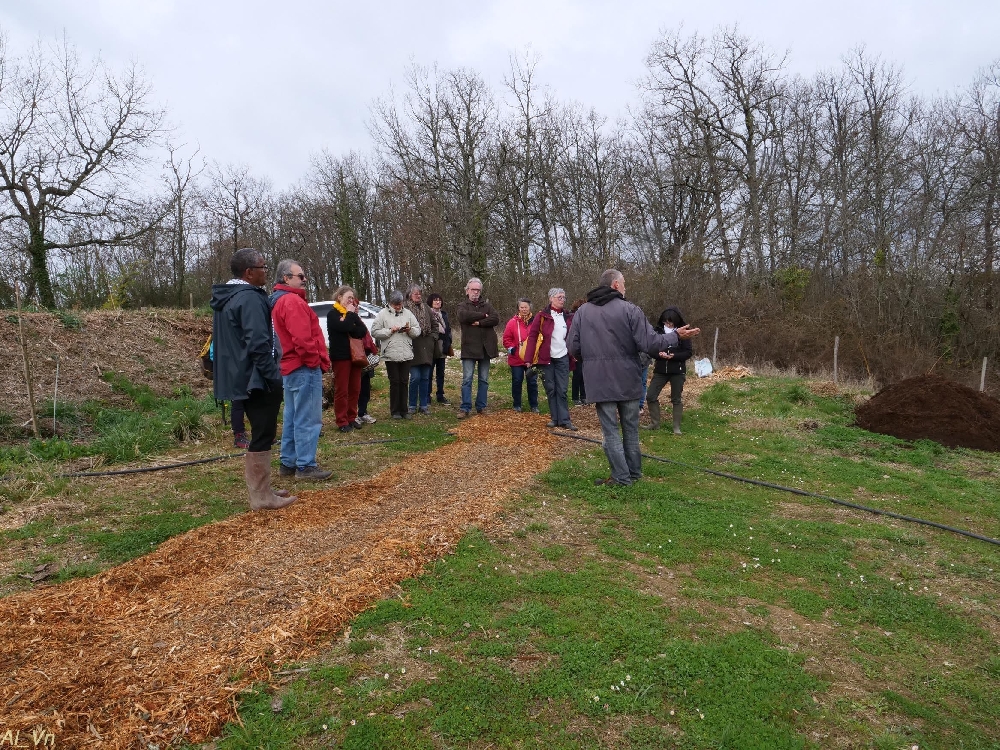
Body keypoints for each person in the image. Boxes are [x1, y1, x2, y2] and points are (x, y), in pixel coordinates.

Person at [568, 269, 700, 486]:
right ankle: (630, 475)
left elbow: (573, 347)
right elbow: (650, 344)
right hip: (628, 378)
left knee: (610, 431)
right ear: (616, 286)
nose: (626, 287)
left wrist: (592, 361)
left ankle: (623, 476)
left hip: (600, 381)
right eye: (624, 283)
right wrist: (675, 336)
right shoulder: (630, 310)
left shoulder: (582, 312)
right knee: (630, 429)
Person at [211, 248, 296, 510]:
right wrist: (274, 377)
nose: (266, 271)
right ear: (249, 273)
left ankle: (263, 488)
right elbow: (258, 343)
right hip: (256, 379)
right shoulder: (248, 298)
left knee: (261, 432)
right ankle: (261, 497)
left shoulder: (229, 296)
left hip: (242, 376)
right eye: (262, 267)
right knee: (263, 433)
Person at [270, 259, 333, 481]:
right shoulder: (292, 302)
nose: (305, 280)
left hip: (290, 367)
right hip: (303, 367)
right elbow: (303, 339)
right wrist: (314, 361)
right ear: (286, 278)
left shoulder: (279, 301)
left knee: (292, 416)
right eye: (301, 276)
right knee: (308, 417)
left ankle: (289, 462)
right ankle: (305, 465)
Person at [524, 288, 576, 430]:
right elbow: (533, 337)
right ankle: (555, 418)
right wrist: (528, 359)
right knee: (551, 388)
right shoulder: (541, 316)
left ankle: (565, 420)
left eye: (564, 297)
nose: (562, 300)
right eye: (559, 297)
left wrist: (576, 353)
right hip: (546, 358)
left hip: (563, 357)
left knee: (563, 389)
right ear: (551, 298)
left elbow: (574, 336)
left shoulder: (568, 316)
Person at [371, 291, 421, 419]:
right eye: (395, 305)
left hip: (406, 352)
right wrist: (389, 331)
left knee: (404, 381)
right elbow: (375, 332)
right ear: (390, 303)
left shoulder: (408, 313)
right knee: (395, 382)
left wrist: (410, 330)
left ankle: (404, 410)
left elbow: (417, 330)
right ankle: (395, 411)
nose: (398, 307)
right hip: (390, 353)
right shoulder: (382, 314)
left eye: (399, 304)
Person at [455, 277, 499, 418]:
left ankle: (481, 407)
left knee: (484, 379)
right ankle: (465, 408)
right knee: (467, 379)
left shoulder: (487, 305)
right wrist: (482, 315)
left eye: (478, 290)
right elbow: (463, 316)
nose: (476, 292)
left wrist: (479, 323)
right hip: (469, 348)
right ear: (467, 290)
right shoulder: (462, 305)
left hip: (485, 348)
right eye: (473, 290)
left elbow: (495, 318)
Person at [645, 307, 693, 434]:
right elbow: (651, 349)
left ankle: (676, 427)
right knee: (650, 395)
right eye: (666, 322)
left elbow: (688, 352)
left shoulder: (684, 332)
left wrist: (674, 356)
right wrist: (658, 354)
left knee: (676, 398)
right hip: (660, 370)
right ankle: (655, 423)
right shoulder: (657, 331)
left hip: (677, 370)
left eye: (670, 322)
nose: (668, 324)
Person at [326, 285, 368, 433]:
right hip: (341, 357)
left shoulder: (351, 314)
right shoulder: (332, 314)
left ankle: (352, 417)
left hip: (355, 357)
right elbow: (343, 328)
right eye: (348, 297)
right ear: (339, 297)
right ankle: (341, 420)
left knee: (355, 389)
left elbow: (362, 331)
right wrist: (350, 318)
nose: (351, 300)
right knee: (342, 390)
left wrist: (351, 319)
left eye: (352, 298)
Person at [501, 298, 539, 413]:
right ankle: (517, 404)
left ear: (530, 308)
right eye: (522, 307)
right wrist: (511, 348)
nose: (524, 309)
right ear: (518, 308)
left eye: (526, 307)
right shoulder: (512, 322)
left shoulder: (536, 322)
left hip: (532, 358)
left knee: (532, 382)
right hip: (516, 358)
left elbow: (540, 337)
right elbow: (506, 338)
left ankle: (534, 405)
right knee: (517, 381)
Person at [405, 283, 436, 415]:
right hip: (413, 346)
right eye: (415, 293)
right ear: (410, 295)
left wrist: (433, 338)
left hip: (426, 347)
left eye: (420, 293)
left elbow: (434, 324)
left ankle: (423, 405)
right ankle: (412, 405)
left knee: (425, 378)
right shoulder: (406, 309)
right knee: (415, 377)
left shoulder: (426, 308)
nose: (418, 296)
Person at [428, 293, 452, 404]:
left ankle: (440, 394)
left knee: (440, 372)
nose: (438, 302)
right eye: (435, 300)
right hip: (432, 345)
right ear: (431, 302)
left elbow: (448, 329)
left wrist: (449, 341)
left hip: (443, 345)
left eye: (439, 300)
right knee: (429, 372)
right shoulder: (428, 313)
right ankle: (427, 395)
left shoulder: (444, 314)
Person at [356, 328, 379, 427]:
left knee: (365, 388)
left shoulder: (359, 320)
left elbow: (367, 337)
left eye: (357, 310)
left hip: (366, 356)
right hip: (354, 357)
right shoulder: (344, 319)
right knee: (354, 389)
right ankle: (352, 415)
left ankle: (363, 412)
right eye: (355, 310)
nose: (356, 310)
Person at [569, 298, 587, 406]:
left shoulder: (586, 319)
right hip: (576, 349)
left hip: (585, 349)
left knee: (584, 374)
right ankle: (575, 397)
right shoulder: (573, 318)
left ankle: (584, 396)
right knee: (577, 374)